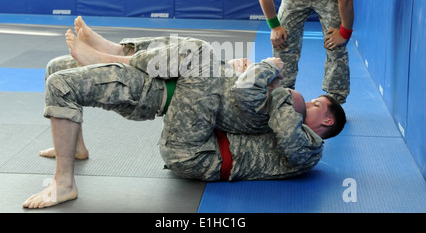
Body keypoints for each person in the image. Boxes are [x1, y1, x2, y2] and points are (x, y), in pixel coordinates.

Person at [23, 17, 346, 209]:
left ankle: (121, 58)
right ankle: (120, 54)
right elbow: (241, 96)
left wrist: (267, 74)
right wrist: (235, 68)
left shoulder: (308, 147)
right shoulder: (279, 118)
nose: (304, 102)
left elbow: (247, 96)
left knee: (198, 52)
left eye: (317, 104)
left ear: (327, 120)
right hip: (195, 116)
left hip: (195, 150)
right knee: (58, 67)